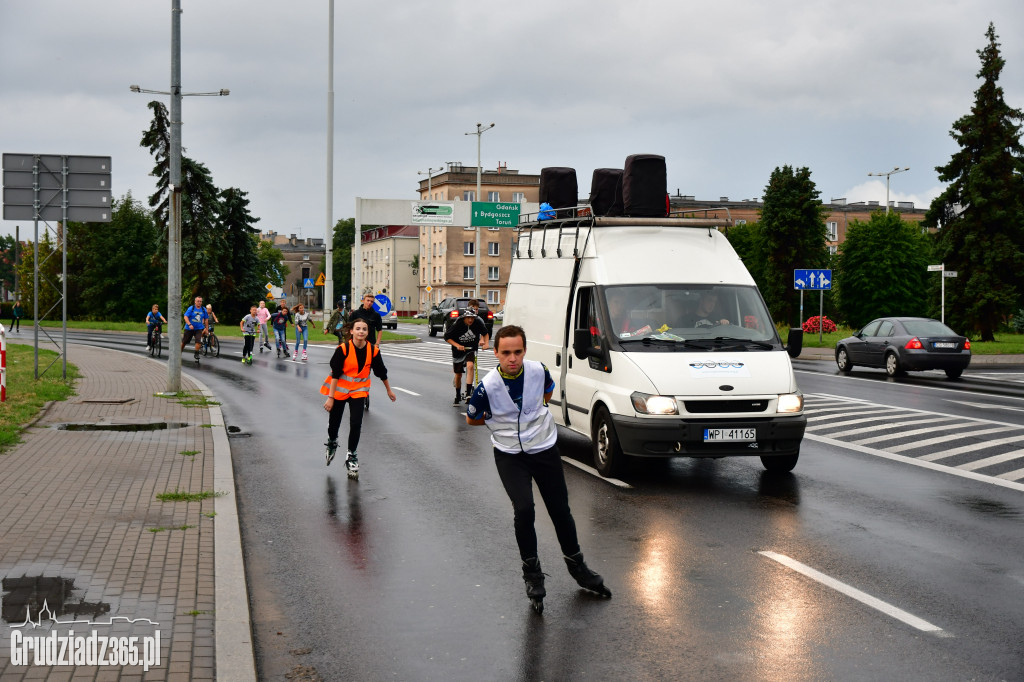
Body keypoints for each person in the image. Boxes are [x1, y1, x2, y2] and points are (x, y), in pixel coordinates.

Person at [466, 325, 611, 613]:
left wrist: (535, 417)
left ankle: (578, 568)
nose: (512, 358)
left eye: (517, 352)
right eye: (506, 353)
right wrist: (500, 425)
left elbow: (548, 391)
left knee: (560, 511)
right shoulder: (488, 386)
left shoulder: (537, 371)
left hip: (543, 449)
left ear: (524, 351)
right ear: (495, 353)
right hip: (510, 455)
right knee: (525, 510)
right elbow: (472, 419)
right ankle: (532, 576)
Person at [320, 318, 397, 478]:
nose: (361, 331)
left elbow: (381, 372)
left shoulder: (373, 351)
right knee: (335, 423)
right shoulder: (343, 349)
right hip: (339, 392)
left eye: (364, 329)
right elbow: (335, 374)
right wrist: (330, 397)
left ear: (368, 333)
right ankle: (332, 442)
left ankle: (352, 455)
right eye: (358, 328)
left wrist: (389, 390)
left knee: (356, 423)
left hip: (358, 392)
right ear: (352, 331)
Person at [443, 300, 490, 405]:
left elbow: (485, 333)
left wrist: (485, 343)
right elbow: (447, 337)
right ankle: (458, 394)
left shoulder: (477, 322)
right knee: (458, 375)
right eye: (468, 318)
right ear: (464, 317)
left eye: (472, 318)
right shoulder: (458, 323)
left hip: (471, 349)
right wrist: (457, 345)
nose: (470, 320)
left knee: (470, 366)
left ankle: (468, 394)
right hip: (458, 350)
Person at [181, 296, 209, 360]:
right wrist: (189, 324)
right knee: (184, 342)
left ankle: (196, 353)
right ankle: (179, 352)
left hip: (199, 328)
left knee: (198, 341)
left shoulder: (203, 309)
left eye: (200, 301)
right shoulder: (191, 308)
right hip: (189, 328)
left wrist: (206, 329)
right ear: (195, 302)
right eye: (198, 301)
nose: (199, 302)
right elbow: (185, 317)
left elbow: (206, 319)